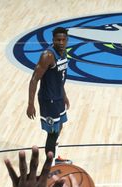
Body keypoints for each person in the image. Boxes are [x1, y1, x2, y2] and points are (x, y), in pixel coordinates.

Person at [27, 26, 70, 161]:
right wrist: (30, 104)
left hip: (58, 97)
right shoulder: (48, 56)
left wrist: (64, 95)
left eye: (63, 40)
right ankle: (49, 166)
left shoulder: (64, 52)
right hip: (48, 99)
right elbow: (34, 79)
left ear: (67, 40)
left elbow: (59, 78)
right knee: (52, 133)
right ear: (53, 40)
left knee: (60, 126)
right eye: (58, 40)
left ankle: (55, 155)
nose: (61, 42)